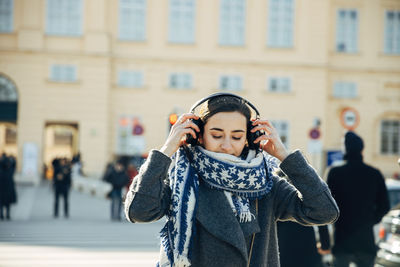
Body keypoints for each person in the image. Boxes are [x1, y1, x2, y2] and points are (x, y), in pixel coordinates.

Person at [124, 93, 339, 267]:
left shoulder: (266, 184)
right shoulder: (184, 181)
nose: (227, 145)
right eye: (217, 135)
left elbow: (324, 211)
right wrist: (166, 151)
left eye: (237, 136)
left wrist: (286, 157)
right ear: (198, 136)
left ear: (250, 138)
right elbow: (138, 210)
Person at [319, 131, 390, 267]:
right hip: (366, 241)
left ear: (344, 148)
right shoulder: (374, 174)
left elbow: (323, 207)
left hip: (341, 240)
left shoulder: (334, 173)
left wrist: (325, 242)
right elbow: (384, 206)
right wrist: (370, 220)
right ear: (361, 149)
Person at [0, 153, 17, 220]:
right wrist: (12, 159)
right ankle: (7, 215)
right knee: (7, 204)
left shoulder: (2, 171)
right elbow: (14, 165)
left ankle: (2, 215)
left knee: (2, 203)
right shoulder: (9, 171)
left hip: (2, 190)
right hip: (8, 190)